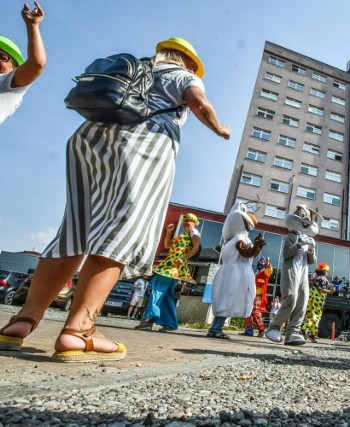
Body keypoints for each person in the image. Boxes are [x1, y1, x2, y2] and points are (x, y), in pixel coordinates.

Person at [0, 37, 230, 362]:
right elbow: (198, 102)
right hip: (145, 142)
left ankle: (22, 321)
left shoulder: (142, 66)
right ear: (187, 61)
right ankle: (79, 330)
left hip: (89, 136)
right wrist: (219, 127)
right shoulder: (182, 75)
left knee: (76, 228)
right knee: (123, 228)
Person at [208, 202, 265, 339]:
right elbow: (246, 253)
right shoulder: (240, 238)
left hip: (229, 270)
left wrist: (256, 246)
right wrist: (257, 246)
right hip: (236, 273)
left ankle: (214, 327)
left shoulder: (232, 239)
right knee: (229, 299)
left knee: (225, 299)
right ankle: (216, 328)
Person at [136, 213, 201, 332]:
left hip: (172, 267)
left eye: (190, 220)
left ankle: (149, 318)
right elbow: (167, 245)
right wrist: (169, 233)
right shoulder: (183, 235)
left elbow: (196, 247)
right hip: (170, 265)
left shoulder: (194, 232)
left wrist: (183, 258)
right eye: (185, 220)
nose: (186, 222)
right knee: (166, 295)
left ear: (195, 223)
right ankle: (170, 323)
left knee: (157, 289)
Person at [265, 205, 318, 346]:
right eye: (303, 218)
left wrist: (312, 249)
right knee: (291, 298)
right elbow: (286, 254)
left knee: (302, 301)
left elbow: (312, 261)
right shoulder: (291, 236)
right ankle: (274, 327)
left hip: (303, 274)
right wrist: (298, 245)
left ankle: (293, 332)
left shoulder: (309, 238)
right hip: (291, 271)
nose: (306, 221)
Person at [0, 1, 46, 125]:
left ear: (14, 67)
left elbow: (37, 64)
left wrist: (32, 25)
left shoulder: (7, 82)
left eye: (1, 57)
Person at [240, 256, 273, 337]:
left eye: (262, 262)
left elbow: (270, 270)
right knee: (248, 311)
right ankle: (248, 330)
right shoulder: (255, 273)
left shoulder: (264, 272)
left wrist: (268, 262)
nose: (259, 263)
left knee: (256, 312)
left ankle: (261, 330)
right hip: (251, 294)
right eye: (259, 262)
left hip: (258, 295)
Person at [301, 262, 334, 343]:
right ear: (324, 271)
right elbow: (322, 290)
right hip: (318, 300)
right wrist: (331, 291)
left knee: (309, 315)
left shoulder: (314, 277)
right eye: (327, 271)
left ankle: (312, 334)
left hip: (311, 298)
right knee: (316, 316)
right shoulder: (323, 279)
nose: (328, 273)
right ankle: (304, 329)